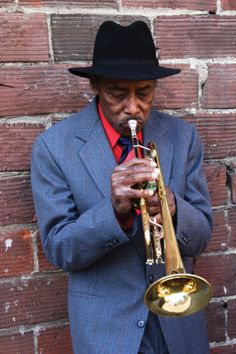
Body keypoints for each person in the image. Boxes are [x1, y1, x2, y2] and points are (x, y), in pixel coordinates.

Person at [31, 21, 213, 354]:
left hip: (179, 325)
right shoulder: (55, 147)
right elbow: (59, 249)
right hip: (108, 332)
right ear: (96, 84)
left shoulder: (183, 138)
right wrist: (113, 211)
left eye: (144, 92)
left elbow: (202, 236)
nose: (133, 107)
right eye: (118, 93)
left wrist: (173, 208)